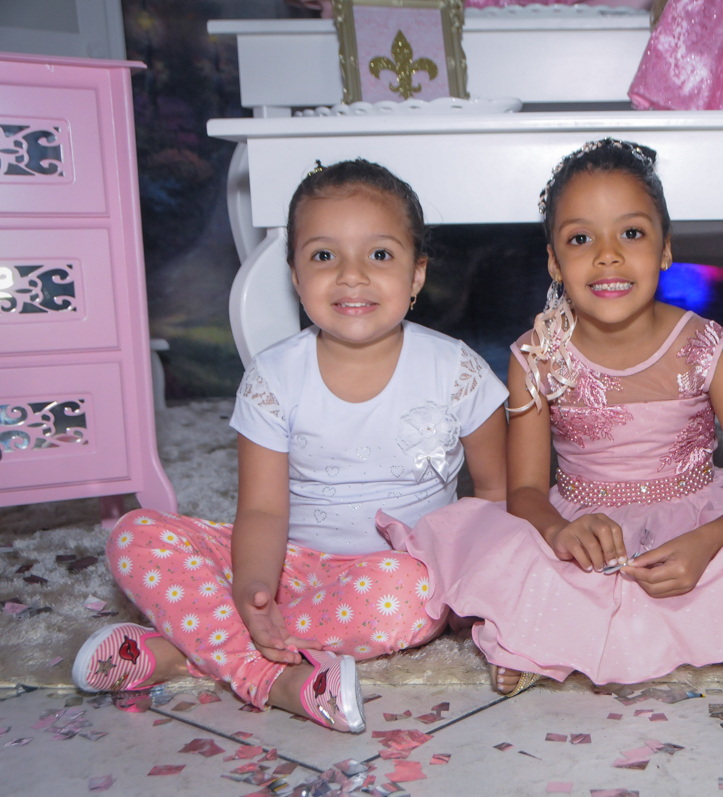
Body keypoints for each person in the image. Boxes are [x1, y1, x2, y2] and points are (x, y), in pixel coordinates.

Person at [400, 138, 723, 695]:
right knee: (516, 548)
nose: (608, 256)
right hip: (584, 523)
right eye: (580, 239)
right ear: (553, 260)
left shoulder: (707, 347)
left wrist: (708, 543)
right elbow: (524, 490)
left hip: (698, 520)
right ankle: (545, 631)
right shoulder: (535, 355)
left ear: (666, 248)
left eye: (632, 233)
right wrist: (561, 531)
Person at [73, 159, 508, 732]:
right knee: (134, 534)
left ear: (417, 274)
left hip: (399, 571)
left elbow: (496, 496)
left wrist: (475, 593)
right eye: (324, 256)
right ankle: (272, 675)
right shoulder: (273, 377)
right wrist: (253, 586)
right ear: (296, 276)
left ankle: (191, 648)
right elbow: (260, 509)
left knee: (407, 595)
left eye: (379, 255)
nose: (351, 276)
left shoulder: (459, 372)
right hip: (290, 567)